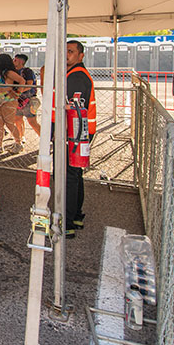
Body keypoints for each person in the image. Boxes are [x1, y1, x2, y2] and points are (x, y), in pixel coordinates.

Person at [63, 40, 95, 238]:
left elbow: (70, 106)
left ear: (80, 55)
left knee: (68, 177)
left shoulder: (76, 76)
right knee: (75, 174)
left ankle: (66, 223)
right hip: (79, 132)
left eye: (71, 51)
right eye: (65, 51)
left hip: (73, 132)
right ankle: (75, 216)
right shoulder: (74, 74)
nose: (66, 54)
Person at [0, 54, 26, 153]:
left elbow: (22, 81)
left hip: (8, 100)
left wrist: (17, 93)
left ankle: (18, 143)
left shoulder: (9, 73)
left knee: (9, 123)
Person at [14, 54, 41, 137]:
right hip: (18, 100)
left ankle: (46, 139)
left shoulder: (27, 71)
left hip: (28, 100)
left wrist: (18, 91)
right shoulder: (14, 72)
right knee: (17, 120)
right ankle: (20, 138)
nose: (13, 61)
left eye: (15, 60)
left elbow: (29, 85)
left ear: (21, 61)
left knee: (32, 122)